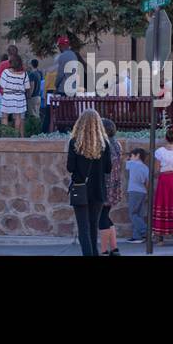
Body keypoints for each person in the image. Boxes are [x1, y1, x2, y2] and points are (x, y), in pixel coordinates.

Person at [66, 109, 111, 256]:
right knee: (93, 228)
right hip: (98, 189)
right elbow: (108, 169)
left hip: (81, 189)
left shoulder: (74, 143)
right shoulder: (104, 144)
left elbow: (70, 167)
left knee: (83, 229)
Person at [99, 117, 122, 255]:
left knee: (102, 218)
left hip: (105, 186)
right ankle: (114, 248)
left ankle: (103, 250)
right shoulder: (116, 144)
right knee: (106, 216)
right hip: (114, 185)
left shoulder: (104, 146)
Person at [0, 53, 29, 135]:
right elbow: (27, 87)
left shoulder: (6, 72)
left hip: (7, 96)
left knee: (4, 117)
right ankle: (16, 135)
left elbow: (1, 85)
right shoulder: (24, 73)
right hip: (20, 97)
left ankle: (4, 135)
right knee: (18, 117)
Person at [125, 148, 149, 243]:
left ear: (137, 155)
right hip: (142, 191)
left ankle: (146, 230)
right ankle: (137, 237)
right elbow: (147, 182)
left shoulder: (131, 164)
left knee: (133, 214)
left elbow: (126, 164)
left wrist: (128, 158)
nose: (130, 157)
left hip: (134, 191)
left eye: (132, 155)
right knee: (139, 214)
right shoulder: (145, 167)